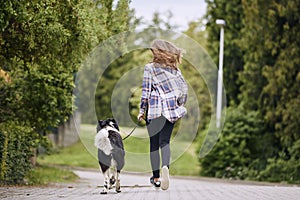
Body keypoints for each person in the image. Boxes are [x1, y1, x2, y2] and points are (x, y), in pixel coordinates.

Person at [137, 39, 188, 190]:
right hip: (170, 111)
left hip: (154, 110)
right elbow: (184, 91)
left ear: (157, 52)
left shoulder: (150, 68)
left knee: (154, 145)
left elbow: (146, 91)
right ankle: (165, 166)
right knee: (164, 142)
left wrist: (142, 111)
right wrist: (179, 103)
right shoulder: (175, 71)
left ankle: (157, 177)